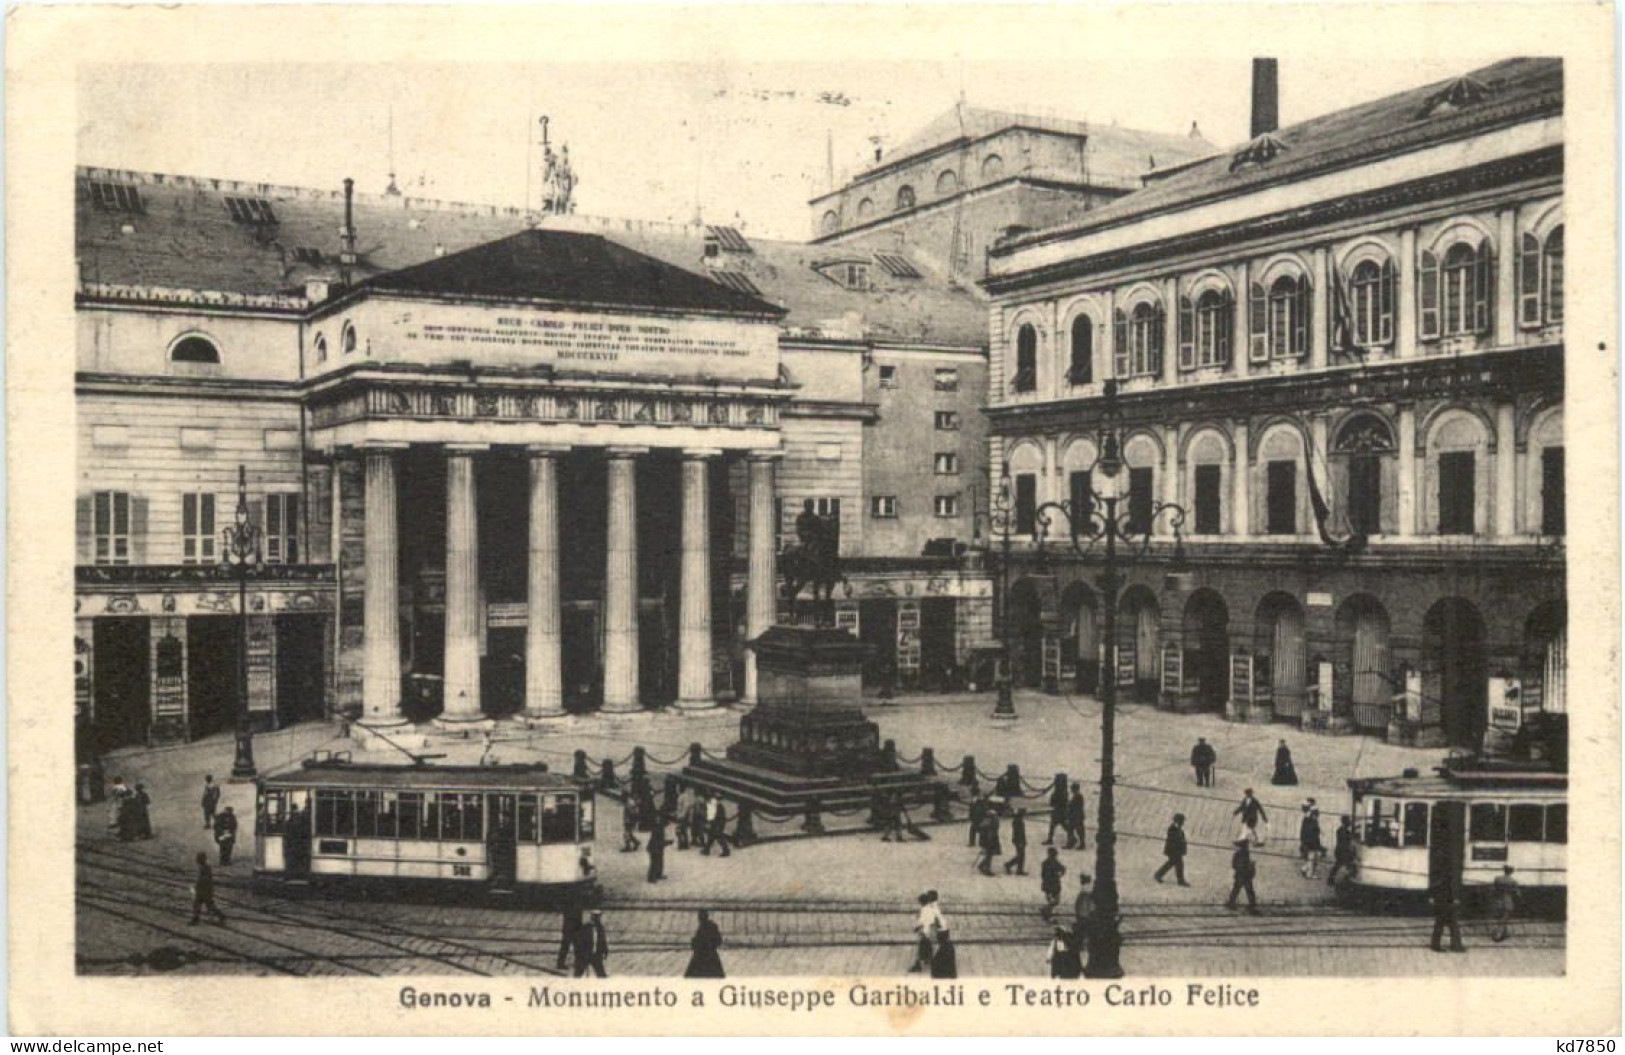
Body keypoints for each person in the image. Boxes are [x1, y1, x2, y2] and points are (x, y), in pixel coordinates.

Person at [910, 891, 945, 973]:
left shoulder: (924, 910)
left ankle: (918, 964)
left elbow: (922, 922)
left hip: (926, 931)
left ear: (920, 903)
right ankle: (929, 960)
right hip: (932, 930)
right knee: (930, 946)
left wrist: (916, 928)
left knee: (921, 946)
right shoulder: (931, 908)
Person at [684, 910, 726, 978]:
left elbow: (697, 941)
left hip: (701, 956)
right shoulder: (712, 926)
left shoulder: (702, 927)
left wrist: (694, 943)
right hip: (711, 955)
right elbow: (719, 940)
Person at [189, 852, 226, 926]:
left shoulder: (206, 868)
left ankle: (220, 915)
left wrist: (197, 886)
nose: (197, 860)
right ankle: (196, 918)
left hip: (205, 890)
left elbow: (204, 879)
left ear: (202, 859)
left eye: (198, 858)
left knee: (208, 905)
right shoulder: (202, 867)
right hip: (202, 890)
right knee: (198, 904)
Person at [1429, 878, 1465, 953]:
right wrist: (1455, 897)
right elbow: (1453, 882)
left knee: (1444, 922)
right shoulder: (1449, 871)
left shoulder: (1440, 870)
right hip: (1446, 897)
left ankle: (1436, 944)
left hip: (1443, 896)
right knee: (1450, 922)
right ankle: (1455, 945)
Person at [1154, 813, 1190, 886]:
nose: (1183, 823)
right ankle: (1180, 881)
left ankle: (1158, 875)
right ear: (1178, 821)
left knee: (1171, 864)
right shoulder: (1172, 829)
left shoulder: (1177, 829)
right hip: (1173, 851)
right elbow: (1174, 840)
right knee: (1178, 865)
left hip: (1176, 851)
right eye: (1182, 821)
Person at [1225, 839, 1260, 914]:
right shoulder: (1239, 854)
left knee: (1243, 890)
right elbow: (1234, 865)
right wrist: (1246, 866)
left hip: (1244, 875)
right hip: (1242, 875)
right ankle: (1233, 903)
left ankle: (1250, 905)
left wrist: (1250, 865)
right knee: (1242, 890)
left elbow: (1234, 865)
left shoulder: (1244, 854)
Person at [573, 909, 610, 977]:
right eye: (596, 917)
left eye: (599, 917)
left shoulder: (600, 928)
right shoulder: (585, 927)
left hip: (596, 955)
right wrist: (578, 953)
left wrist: (605, 951)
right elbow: (578, 942)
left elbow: (602, 941)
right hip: (585, 955)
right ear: (592, 917)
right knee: (577, 975)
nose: (598, 919)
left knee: (602, 975)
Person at [1490, 866, 1520, 943]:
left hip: (1498, 901)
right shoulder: (1513, 881)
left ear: (1504, 870)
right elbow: (1518, 894)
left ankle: (1503, 933)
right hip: (1508, 902)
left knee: (1500, 918)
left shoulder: (1498, 879)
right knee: (1504, 919)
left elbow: (1493, 890)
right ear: (1511, 872)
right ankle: (1498, 936)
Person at [1326, 815, 1357, 887]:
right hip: (1344, 851)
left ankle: (1330, 879)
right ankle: (1351, 881)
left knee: (1338, 865)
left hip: (1339, 851)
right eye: (1348, 822)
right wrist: (1351, 852)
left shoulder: (1339, 830)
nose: (1349, 823)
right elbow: (1347, 842)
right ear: (1346, 823)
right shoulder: (1346, 832)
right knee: (1350, 866)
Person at [1072, 874, 1096, 960]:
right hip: (1085, 914)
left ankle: (1081, 944)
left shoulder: (1083, 893)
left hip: (1082, 914)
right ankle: (1084, 945)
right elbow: (1090, 905)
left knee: (1083, 931)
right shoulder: (1086, 892)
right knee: (1086, 930)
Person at [1298, 807, 1326, 879]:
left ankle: (1305, 868)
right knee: (1313, 858)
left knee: (1312, 857)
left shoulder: (1307, 820)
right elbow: (1315, 834)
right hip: (1312, 843)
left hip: (1307, 842)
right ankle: (1309, 874)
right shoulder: (1314, 822)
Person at [1040, 847, 1066, 921]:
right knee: (1055, 901)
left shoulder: (1045, 863)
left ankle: (1046, 910)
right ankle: (1046, 912)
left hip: (1049, 885)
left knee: (1052, 901)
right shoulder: (1055, 862)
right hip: (1054, 885)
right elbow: (1063, 869)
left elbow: (1043, 875)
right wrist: (1060, 874)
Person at [556, 905, 582, 972]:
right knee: (570, 945)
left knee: (570, 945)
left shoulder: (569, 904)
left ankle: (561, 963)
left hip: (571, 927)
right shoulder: (575, 903)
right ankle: (561, 963)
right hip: (571, 927)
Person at [1044, 775, 1068, 845]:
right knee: (1059, 825)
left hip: (1058, 811)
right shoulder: (1064, 792)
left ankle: (1050, 839)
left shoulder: (1057, 793)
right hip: (1060, 811)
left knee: (1056, 826)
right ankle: (1050, 839)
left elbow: (1052, 803)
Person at [975, 809, 1001, 876]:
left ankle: (982, 865)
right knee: (989, 855)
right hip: (989, 841)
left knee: (989, 855)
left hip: (991, 840)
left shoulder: (989, 822)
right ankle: (987, 869)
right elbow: (986, 834)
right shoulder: (988, 823)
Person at [1003, 808, 1028, 875]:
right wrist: (1021, 842)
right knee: (1020, 856)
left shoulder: (1017, 820)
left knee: (1020, 855)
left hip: (1019, 840)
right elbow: (1018, 832)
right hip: (1019, 841)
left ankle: (1018, 869)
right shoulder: (1018, 821)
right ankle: (1010, 865)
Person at [646, 813, 668, 883]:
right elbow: (656, 839)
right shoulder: (657, 828)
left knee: (660, 860)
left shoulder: (661, 827)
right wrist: (665, 843)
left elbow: (661, 839)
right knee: (654, 862)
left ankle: (658, 874)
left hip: (658, 846)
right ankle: (651, 877)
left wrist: (666, 842)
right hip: (654, 847)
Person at [1065, 783, 1087, 850]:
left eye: (1072, 788)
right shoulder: (1078, 796)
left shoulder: (1077, 796)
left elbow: (1072, 806)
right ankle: (1074, 843)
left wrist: (1068, 805)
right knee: (1074, 830)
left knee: (1076, 830)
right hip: (1077, 816)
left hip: (1076, 816)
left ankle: (1075, 844)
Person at [674, 784, 694, 851]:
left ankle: (682, 844)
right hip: (682, 815)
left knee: (679, 830)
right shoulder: (683, 796)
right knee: (683, 830)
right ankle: (684, 843)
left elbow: (686, 806)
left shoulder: (683, 797)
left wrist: (682, 815)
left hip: (682, 816)